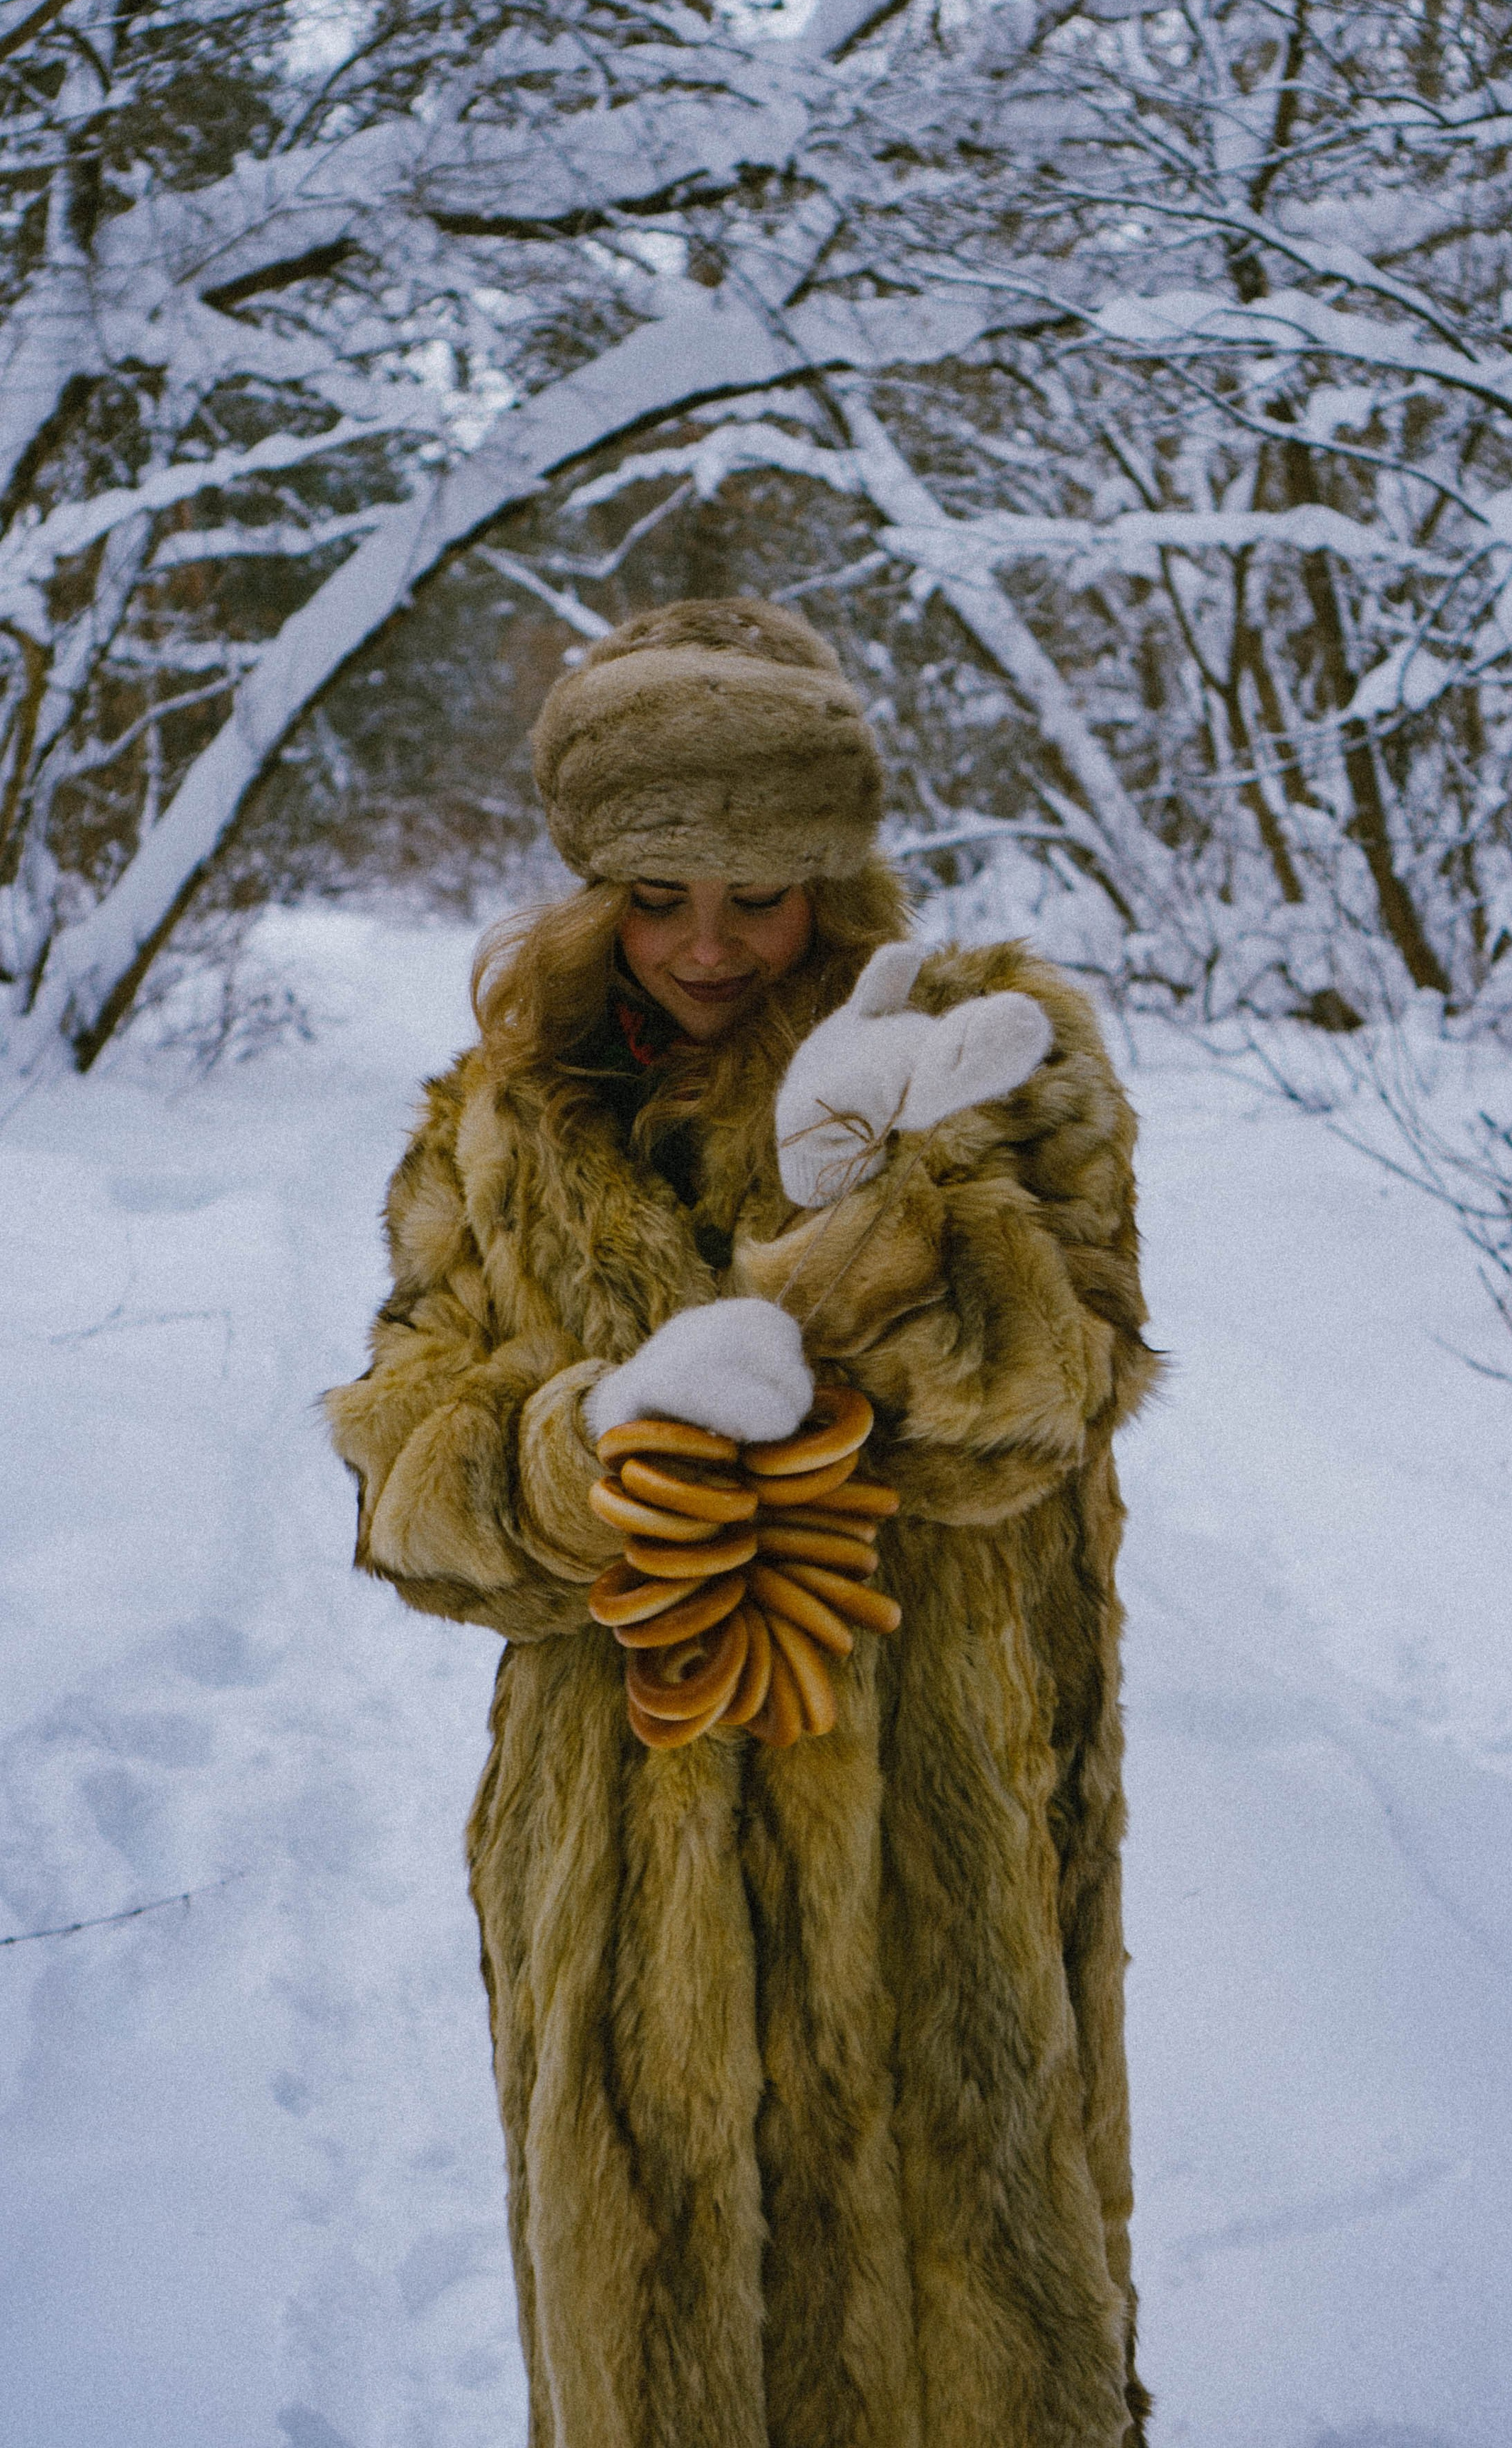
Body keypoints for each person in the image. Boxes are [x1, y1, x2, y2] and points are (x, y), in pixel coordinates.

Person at [324, 598, 1159, 2448]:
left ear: (832, 875)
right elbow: (400, 1472)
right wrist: (581, 1458)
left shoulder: (984, 1054)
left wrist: (866, 1220)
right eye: (656, 894)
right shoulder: (507, 1124)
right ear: (590, 888)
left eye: (761, 893)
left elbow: (1046, 1400)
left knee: (981, 2363)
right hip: (631, 1904)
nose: (708, 943)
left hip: (939, 1877)